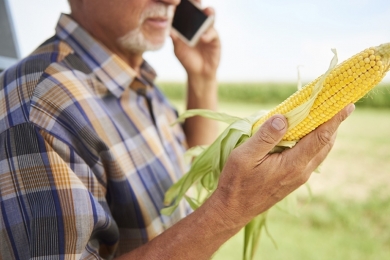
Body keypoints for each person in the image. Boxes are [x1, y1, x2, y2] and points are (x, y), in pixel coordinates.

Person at [0, 0, 355, 259]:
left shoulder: (136, 81)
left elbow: (184, 181)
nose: (171, 1)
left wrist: (202, 76)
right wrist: (229, 210)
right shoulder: (39, 103)